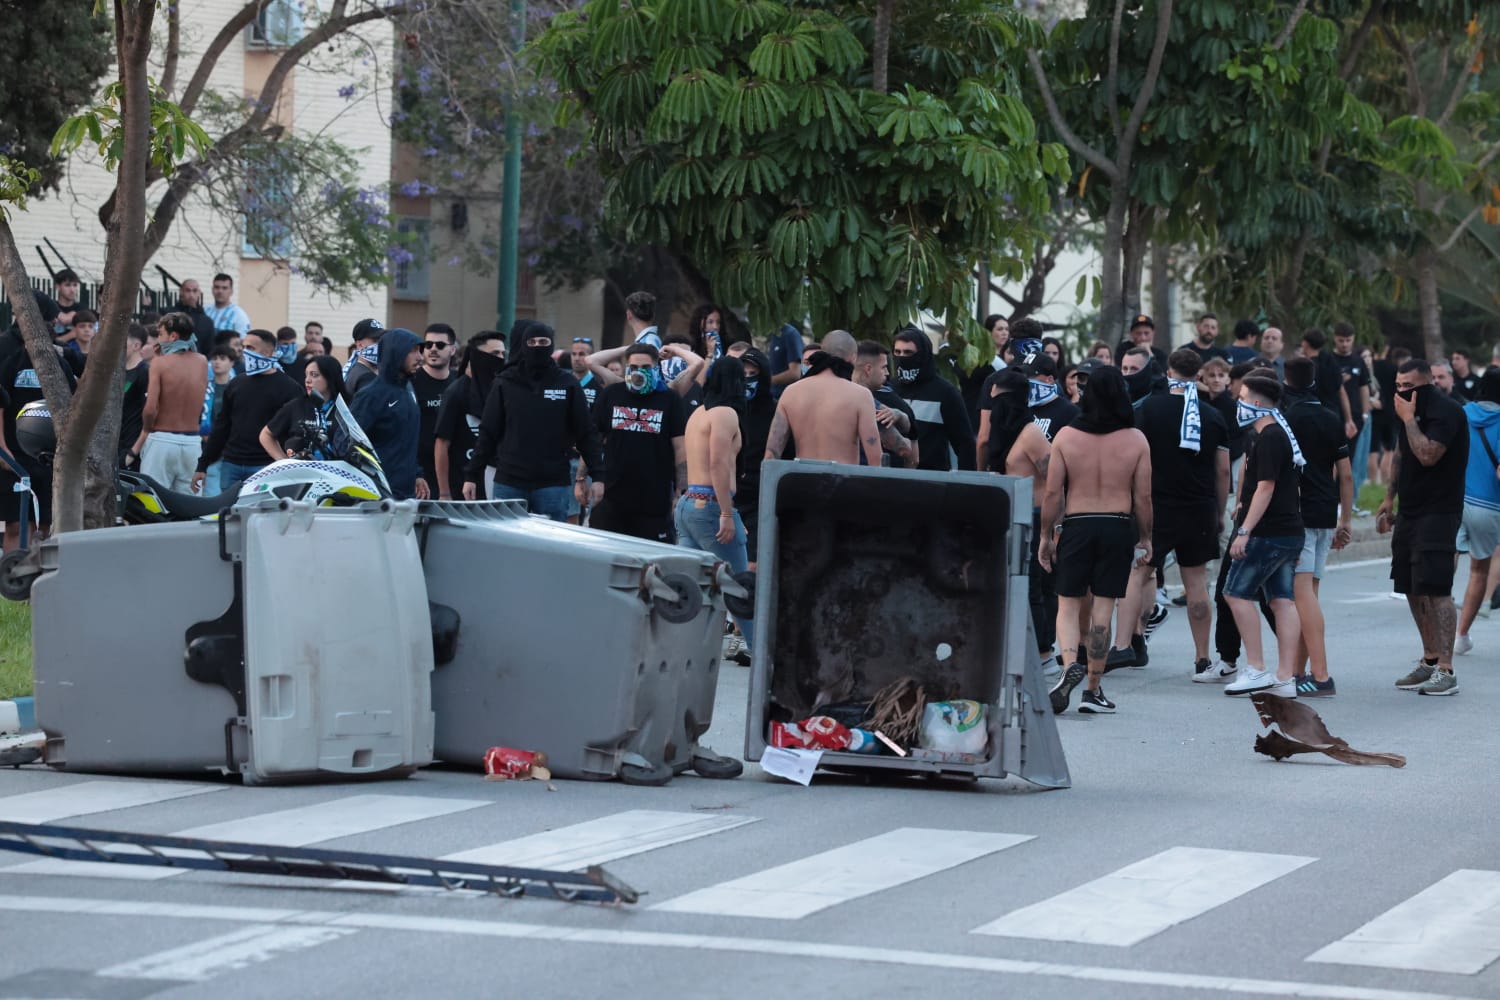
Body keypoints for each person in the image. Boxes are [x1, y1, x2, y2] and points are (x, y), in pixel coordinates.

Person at [1037, 366, 1152, 715]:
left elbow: (1054, 491)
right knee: (1103, 606)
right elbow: (1143, 497)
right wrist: (1146, 537)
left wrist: (1046, 534)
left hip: (1077, 524)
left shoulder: (1066, 437)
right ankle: (1093, 688)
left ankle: (1070, 662)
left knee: (1068, 604)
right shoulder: (1135, 439)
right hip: (1117, 525)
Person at [1117, 349, 1230, 678]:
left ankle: (1126, 644)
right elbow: (1223, 471)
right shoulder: (1212, 416)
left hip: (1156, 505)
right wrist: (1219, 512)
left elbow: (1134, 460)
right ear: (1200, 376)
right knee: (1195, 584)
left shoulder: (1149, 409)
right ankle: (1202, 657)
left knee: (1138, 573)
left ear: (1167, 372)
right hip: (1199, 508)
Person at [1378, 359, 1469, 695]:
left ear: (1427, 383)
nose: (1401, 392)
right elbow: (1403, 454)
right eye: (1398, 385)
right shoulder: (1408, 412)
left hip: (1440, 511)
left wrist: (1408, 419)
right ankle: (1429, 659)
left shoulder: (1447, 413)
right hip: (1411, 511)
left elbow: (1428, 453)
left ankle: (1446, 669)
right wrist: (1389, 498)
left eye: (1409, 386)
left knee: (1437, 588)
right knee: (1411, 585)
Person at [463, 322, 605, 521]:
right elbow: (488, 432)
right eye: (532, 342)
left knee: (551, 547)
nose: (537, 346)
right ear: (523, 345)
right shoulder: (505, 382)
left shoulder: (567, 384)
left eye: (543, 341)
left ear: (551, 345)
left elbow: (586, 433)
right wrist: (472, 475)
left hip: (553, 483)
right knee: (507, 545)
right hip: (509, 481)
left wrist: (598, 476)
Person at [1219, 375, 1306, 698]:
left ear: (1254, 403)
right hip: (1288, 531)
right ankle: (1286, 677)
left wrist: (1244, 530)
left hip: (1269, 532)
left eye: (1241, 397)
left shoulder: (1269, 436)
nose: (1237, 403)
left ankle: (1256, 667)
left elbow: (1266, 487)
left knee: (1236, 593)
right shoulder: (1273, 434)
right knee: (1281, 600)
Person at [1281, 356, 1354, 697]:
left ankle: (1321, 675)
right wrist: (1346, 520)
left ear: (1286, 380)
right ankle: (1299, 673)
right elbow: (1347, 474)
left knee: (1302, 598)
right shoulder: (1331, 417)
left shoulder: (1288, 419)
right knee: (1310, 594)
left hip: (1301, 515)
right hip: (1326, 513)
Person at [677, 357, 754, 648]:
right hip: (710, 506)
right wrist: (725, 512)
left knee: (691, 592)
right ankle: (765, 664)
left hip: (689, 505)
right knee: (741, 589)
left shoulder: (698, 413)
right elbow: (718, 463)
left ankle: (681, 652)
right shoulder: (725, 414)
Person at [580, 342, 687, 543]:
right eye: (634, 367)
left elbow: (680, 447)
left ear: (656, 368)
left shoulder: (669, 398)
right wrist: (581, 480)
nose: (639, 372)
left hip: (653, 502)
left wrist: (682, 490)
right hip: (612, 497)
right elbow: (594, 441)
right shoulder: (612, 393)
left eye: (646, 368)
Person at [193, 328, 301, 495]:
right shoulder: (236, 384)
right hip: (231, 465)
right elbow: (222, 427)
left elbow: (294, 432)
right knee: (228, 517)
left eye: (250, 348)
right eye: (244, 347)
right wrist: (203, 465)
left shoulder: (289, 388)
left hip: (266, 467)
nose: (244, 352)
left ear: (267, 352)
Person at [765, 330, 881, 466]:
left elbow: (771, 455)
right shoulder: (860, 395)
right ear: (853, 358)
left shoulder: (791, 392)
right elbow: (875, 459)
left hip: (802, 480)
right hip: (843, 482)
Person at [129, 312, 209, 492]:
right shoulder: (202, 361)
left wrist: (147, 428)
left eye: (160, 334)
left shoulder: (160, 364)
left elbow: (150, 408)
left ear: (173, 336)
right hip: (192, 442)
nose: (158, 339)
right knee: (190, 506)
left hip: (162, 439)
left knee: (153, 502)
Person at [349, 328, 427, 501]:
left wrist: (416, 473)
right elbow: (346, 440)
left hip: (406, 495)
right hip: (378, 497)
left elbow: (407, 439)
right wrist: (374, 480)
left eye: (420, 351)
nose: (420, 357)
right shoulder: (371, 395)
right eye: (413, 351)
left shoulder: (409, 389)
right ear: (396, 352)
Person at [1456, 370, 1500, 655]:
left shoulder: (1460, 414)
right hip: (1488, 507)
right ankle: (1461, 635)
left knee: (1447, 561)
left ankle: (1438, 626)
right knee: (1478, 570)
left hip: (1453, 500)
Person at [433, 331, 507, 501]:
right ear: (478, 356)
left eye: (503, 353)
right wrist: (444, 493)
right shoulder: (456, 392)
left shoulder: (502, 389)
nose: (501, 358)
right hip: (462, 486)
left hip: (497, 482)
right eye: (495, 353)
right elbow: (442, 443)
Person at [892, 326, 974, 471]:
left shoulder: (945, 392)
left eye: (908, 352)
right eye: (897, 352)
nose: (902, 357)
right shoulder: (889, 388)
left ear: (923, 355)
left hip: (931, 481)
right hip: (889, 478)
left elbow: (965, 445)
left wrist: (965, 488)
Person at [733, 345, 779, 566]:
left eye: (753, 375)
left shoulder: (775, 411)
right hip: (730, 495)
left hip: (760, 497)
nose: (748, 380)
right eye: (743, 375)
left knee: (753, 562)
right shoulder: (729, 408)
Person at [260, 356, 345, 460]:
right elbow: (266, 435)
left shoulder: (345, 407)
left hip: (335, 471)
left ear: (330, 377)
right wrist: (283, 462)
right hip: (302, 472)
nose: (307, 380)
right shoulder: (296, 405)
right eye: (306, 375)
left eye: (314, 375)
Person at [852, 339, 917, 467]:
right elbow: (904, 449)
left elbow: (906, 424)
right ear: (869, 369)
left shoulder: (840, 392)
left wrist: (898, 414)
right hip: (866, 477)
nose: (887, 373)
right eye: (883, 367)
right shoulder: (866, 401)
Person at [411, 323, 458, 500]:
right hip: (421, 472)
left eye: (440, 345)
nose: (432, 349)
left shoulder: (458, 382)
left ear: (452, 349)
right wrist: (415, 472)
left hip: (453, 469)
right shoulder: (412, 382)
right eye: (428, 345)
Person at [1331, 322, 1372, 502]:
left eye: (1348, 340)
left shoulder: (1358, 361)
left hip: (1355, 419)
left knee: (1349, 459)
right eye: (1341, 340)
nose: (1345, 344)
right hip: (1332, 416)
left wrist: (1364, 414)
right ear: (1335, 339)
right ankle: (1329, 497)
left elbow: (1364, 388)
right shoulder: (1328, 359)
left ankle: (1344, 501)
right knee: (1330, 459)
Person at [1299, 328, 1356, 439]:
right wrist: (1349, 420)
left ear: (1305, 343)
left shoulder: (1305, 367)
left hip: (1311, 417)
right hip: (1332, 414)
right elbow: (1341, 391)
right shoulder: (1329, 361)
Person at [1371, 345, 1408, 485]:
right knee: (1389, 449)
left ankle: (1373, 481)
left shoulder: (1370, 368)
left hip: (1373, 411)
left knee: (1372, 450)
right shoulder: (1393, 369)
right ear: (1386, 349)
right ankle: (1386, 480)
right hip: (1390, 411)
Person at [119, 324, 151, 465]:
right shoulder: (117, 372)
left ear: (136, 345)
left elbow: (150, 417)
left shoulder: (144, 373)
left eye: (122, 342)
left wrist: (133, 452)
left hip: (131, 448)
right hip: (115, 444)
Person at [342, 318, 384, 400]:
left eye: (382, 340)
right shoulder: (365, 377)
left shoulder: (353, 369)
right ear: (360, 345)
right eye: (376, 340)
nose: (381, 344)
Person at [766, 322, 805, 398]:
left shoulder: (790, 334)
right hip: (773, 397)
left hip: (787, 398)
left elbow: (795, 373)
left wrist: (768, 380)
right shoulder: (774, 335)